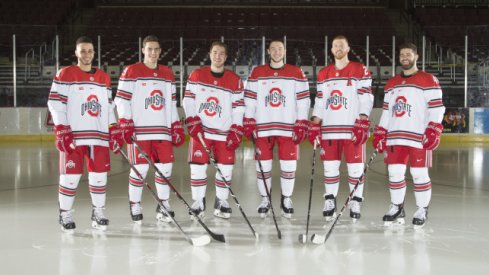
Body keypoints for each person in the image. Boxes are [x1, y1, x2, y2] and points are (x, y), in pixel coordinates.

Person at [48, 36, 122, 232]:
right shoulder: (65, 74)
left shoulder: (104, 78)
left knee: (99, 176)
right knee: (70, 177)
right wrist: (61, 129)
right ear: (76, 53)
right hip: (74, 137)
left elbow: (108, 107)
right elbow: (55, 103)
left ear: (94, 53)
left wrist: (113, 127)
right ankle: (65, 214)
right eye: (83, 51)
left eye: (90, 51)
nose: (87, 55)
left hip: (98, 137)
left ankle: (98, 212)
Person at [373, 42, 445, 229]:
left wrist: (434, 128)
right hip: (396, 136)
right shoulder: (392, 83)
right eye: (402, 54)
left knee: (419, 173)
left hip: (418, 137)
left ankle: (422, 208)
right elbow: (387, 111)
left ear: (416, 56)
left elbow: (437, 107)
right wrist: (381, 131)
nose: (405, 57)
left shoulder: (428, 79)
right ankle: (397, 207)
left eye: (408, 54)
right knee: (394, 173)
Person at [114, 35, 184, 224]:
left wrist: (175, 124)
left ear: (160, 51)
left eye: (156, 49)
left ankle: (163, 205)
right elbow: (121, 100)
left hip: (162, 131)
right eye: (149, 49)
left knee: (165, 170)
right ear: (143, 50)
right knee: (139, 170)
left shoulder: (167, 73)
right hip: (140, 131)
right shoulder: (131, 71)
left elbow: (171, 103)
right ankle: (135, 204)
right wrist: (125, 122)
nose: (153, 53)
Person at [308, 35, 373, 221]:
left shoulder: (359, 69)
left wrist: (363, 120)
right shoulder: (324, 73)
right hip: (329, 130)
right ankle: (330, 199)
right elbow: (320, 101)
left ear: (348, 48)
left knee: (355, 169)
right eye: (335, 46)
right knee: (330, 168)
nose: (338, 48)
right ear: (331, 50)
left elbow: (366, 97)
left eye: (341, 45)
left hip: (351, 129)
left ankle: (356, 201)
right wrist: (314, 124)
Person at [243, 39, 310, 219]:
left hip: (288, 128)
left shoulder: (296, 72)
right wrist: (248, 119)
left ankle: (286, 198)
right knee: (263, 166)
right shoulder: (257, 72)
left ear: (285, 51)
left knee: (289, 165)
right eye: (273, 49)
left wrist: (302, 122)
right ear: (268, 51)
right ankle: (265, 199)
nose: (276, 52)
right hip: (263, 127)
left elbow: (303, 100)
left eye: (280, 49)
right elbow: (249, 99)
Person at [182, 41, 244, 220]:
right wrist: (191, 118)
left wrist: (236, 128)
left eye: (221, 53)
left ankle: (221, 202)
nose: (218, 56)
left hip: (224, 134)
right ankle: (198, 202)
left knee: (225, 170)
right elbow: (188, 100)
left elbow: (238, 108)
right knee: (198, 169)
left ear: (226, 57)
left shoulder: (235, 80)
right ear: (210, 54)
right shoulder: (197, 75)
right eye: (215, 52)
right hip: (201, 132)